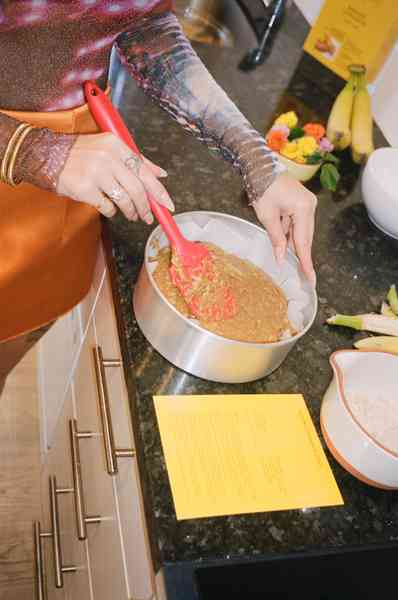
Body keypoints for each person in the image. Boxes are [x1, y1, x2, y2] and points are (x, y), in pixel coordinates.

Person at [0, 0, 317, 395]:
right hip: (27, 155)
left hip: (81, 165)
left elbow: (139, 21)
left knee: (17, 328)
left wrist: (258, 161)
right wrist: (33, 151)